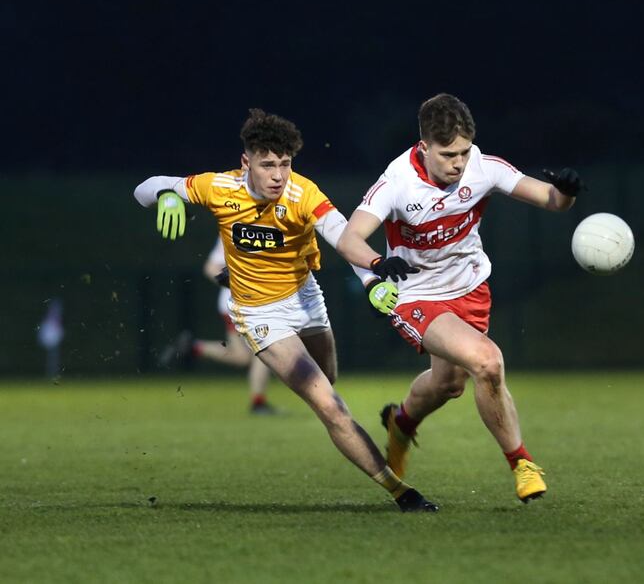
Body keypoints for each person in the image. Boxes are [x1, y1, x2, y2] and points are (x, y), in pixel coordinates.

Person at [134, 108, 438, 512]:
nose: (278, 175)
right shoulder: (219, 187)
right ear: (246, 163)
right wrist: (168, 194)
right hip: (260, 314)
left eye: (285, 164)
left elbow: (343, 237)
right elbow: (145, 186)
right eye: (267, 165)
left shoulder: (302, 194)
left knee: (330, 385)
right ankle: (402, 492)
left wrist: (372, 277)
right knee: (331, 406)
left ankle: (329, 410)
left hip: (305, 298)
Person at [336, 93, 585, 503]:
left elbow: (552, 201)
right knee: (486, 362)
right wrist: (378, 264)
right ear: (423, 148)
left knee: (449, 383)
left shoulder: (483, 168)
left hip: (469, 289)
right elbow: (349, 239)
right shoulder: (398, 181)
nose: (459, 163)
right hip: (416, 294)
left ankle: (401, 424)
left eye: (465, 152)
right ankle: (521, 462)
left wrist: (567, 190)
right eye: (448, 154)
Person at [159, 237, 276, 415]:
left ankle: (193, 347)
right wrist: (237, 287)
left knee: (243, 357)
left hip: (250, 302)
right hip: (240, 304)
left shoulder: (271, 225)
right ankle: (258, 403)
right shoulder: (232, 227)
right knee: (267, 347)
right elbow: (211, 267)